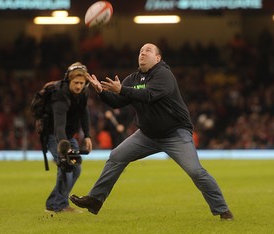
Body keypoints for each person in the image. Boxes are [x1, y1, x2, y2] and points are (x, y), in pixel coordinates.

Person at [70, 43, 234, 220]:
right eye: (140, 50)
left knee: (195, 171)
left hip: (175, 133)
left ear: (158, 58)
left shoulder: (164, 74)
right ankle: (95, 199)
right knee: (116, 156)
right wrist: (101, 91)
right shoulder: (132, 79)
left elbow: (150, 95)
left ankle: (223, 210)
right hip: (147, 135)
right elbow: (118, 102)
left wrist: (122, 90)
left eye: (148, 50)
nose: (143, 53)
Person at [44, 62, 92, 213]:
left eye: (81, 83)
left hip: (69, 135)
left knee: (75, 169)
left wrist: (88, 136)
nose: (79, 86)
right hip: (54, 136)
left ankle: (53, 203)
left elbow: (84, 114)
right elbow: (59, 125)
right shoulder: (60, 95)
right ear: (69, 81)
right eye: (76, 83)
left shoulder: (83, 93)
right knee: (66, 167)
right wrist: (65, 147)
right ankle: (60, 206)